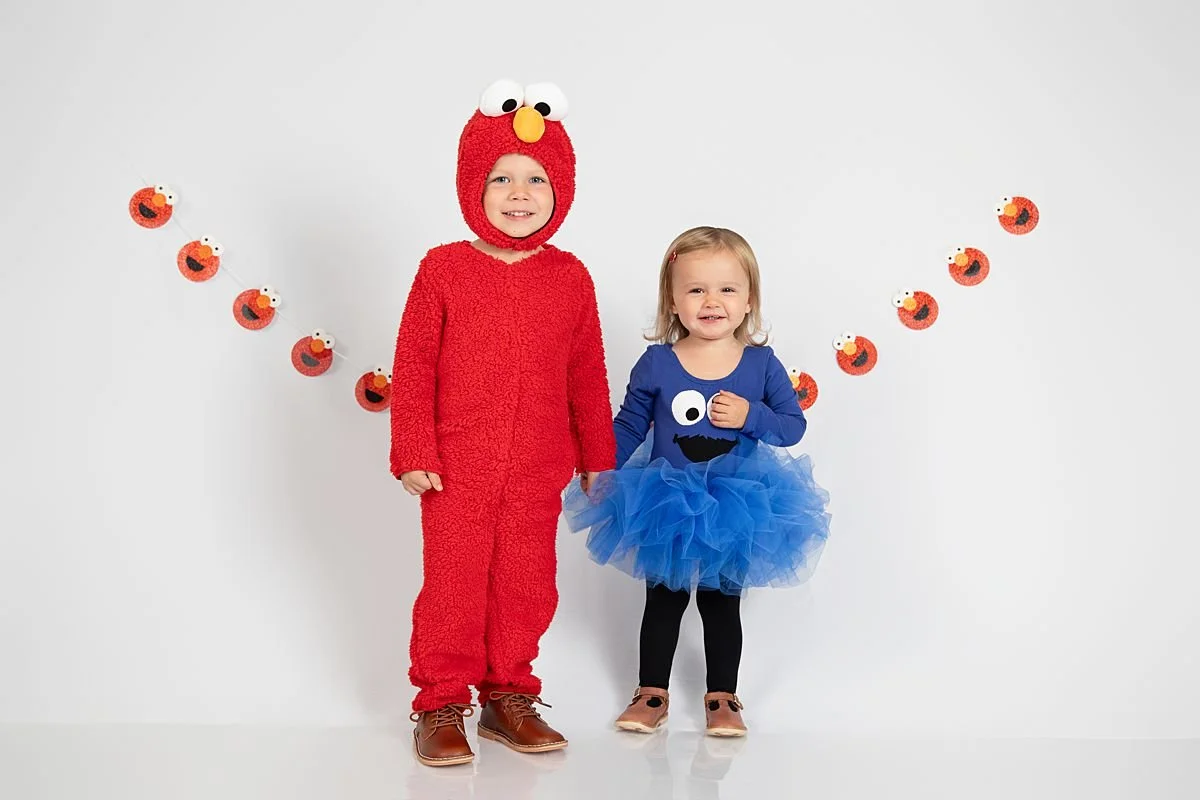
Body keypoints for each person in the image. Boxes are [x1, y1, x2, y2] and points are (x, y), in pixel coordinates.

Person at [391, 79, 616, 767]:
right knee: (454, 585)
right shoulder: (444, 269)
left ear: (562, 189)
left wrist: (597, 456)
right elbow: (414, 364)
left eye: (537, 179)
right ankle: (440, 704)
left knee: (527, 585)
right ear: (472, 186)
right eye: (501, 178)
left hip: (538, 469)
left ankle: (507, 697)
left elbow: (587, 372)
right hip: (456, 468)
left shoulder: (571, 277)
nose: (520, 193)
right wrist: (412, 449)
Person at [563, 226, 831, 737]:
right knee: (663, 600)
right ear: (673, 300)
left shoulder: (761, 363)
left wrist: (752, 414)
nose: (712, 301)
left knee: (721, 603)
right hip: (665, 502)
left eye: (727, 289)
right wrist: (603, 464)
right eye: (695, 289)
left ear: (749, 298)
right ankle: (651, 693)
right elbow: (629, 424)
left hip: (736, 506)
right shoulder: (658, 362)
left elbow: (791, 427)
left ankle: (723, 698)